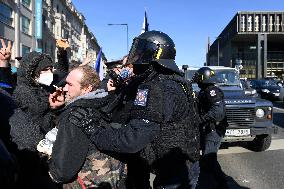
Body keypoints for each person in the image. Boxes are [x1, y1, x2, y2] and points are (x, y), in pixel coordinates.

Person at [77, 30, 201, 188]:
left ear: (154, 54)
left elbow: (132, 139)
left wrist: (95, 132)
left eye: (141, 51)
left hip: (174, 173)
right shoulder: (174, 81)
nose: (135, 57)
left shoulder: (156, 87)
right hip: (181, 165)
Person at [47, 65, 127, 188]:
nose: (65, 88)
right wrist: (59, 109)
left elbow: (63, 171)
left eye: (70, 84)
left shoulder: (75, 115)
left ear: (87, 88)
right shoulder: (107, 102)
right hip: (114, 180)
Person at [193, 67, 229, 189]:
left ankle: (222, 184)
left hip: (213, 130)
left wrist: (199, 120)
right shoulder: (205, 91)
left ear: (204, 78)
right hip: (208, 129)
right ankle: (207, 178)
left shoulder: (212, 91)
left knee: (209, 157)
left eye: (199, 78)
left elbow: (217, 113)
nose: (197, 80)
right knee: (206, 156)